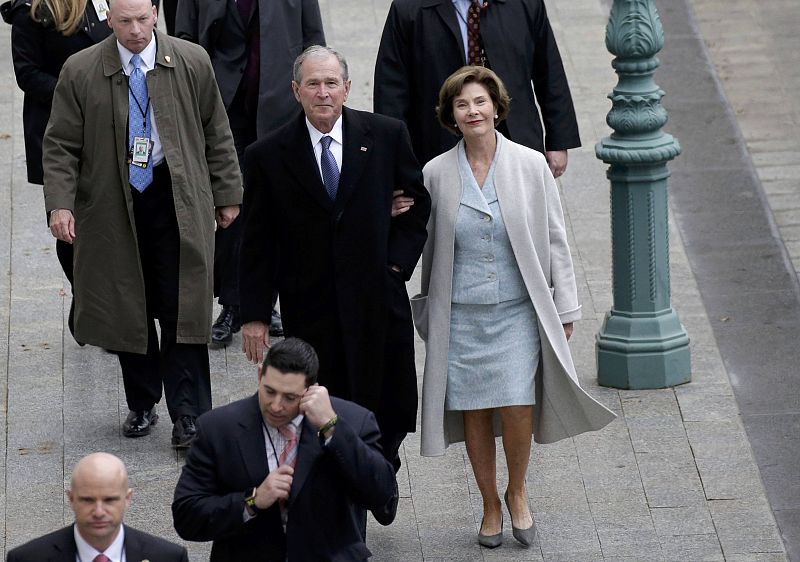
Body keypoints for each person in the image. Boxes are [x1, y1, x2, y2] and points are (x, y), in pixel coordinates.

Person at [413, 66, 615, 548]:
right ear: (451, 116)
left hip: (518, 310)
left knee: (518, 405)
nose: (473, 111)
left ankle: (517, 490)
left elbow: (555, 238)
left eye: (480, 102)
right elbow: (421, 242)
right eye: (462, 105)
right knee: (473, 411)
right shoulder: (435, 173)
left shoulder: (530, 164)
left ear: (497, 107)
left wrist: (565, 306)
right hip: (461, 314)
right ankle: (488, 504)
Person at [43, 0, 242, 447]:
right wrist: (60, 204)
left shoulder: (191, 60)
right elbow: (59, 145)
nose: (135, 30)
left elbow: (217, 130)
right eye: (124, 21)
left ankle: (189, 414)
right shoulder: (81, 69)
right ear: (109, 19)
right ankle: (142, 401)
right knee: (125, 305)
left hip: (177, 202)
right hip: (113, 205)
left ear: (156, 13)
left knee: (182, 307)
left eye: (142, 19)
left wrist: (227, 192)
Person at [239, 45, 431, 471]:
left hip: (377, 299)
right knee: (324, 405)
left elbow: (417, 204)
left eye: (331, 83)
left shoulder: (385, 135)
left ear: (346, 88)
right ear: (296, 91)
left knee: (388, 405)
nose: (322, 92)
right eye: (313, 84)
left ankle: (380, 472)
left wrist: (395, 266)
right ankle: (345, 488)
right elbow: (257, 240)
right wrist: (253, 313)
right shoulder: (267, 155)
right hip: (312, 307)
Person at [175, 0, 325, 346]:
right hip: (223, 106)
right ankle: (233, 302)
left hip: (279, 107)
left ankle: (268, 301)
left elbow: (313, 39)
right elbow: (185, 35)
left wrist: (314, 100)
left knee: (277, 206)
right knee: (230, 204)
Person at [172, 337, 398, 561]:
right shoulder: (218, 429)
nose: (277, 405)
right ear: (260, 375)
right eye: (269, 391)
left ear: (311, 391)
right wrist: (252, 501)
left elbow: (380, 494)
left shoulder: (354, 421)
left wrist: (332, 428)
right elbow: (186, 515)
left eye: (290, 397)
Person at [2, 0, 113, 340]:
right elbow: (27, 74)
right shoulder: (31, 13)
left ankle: (102, 304)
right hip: (58, 133)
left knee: (109, 219)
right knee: (71, 225)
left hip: (107, 127)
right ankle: (88, 301)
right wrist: (76, 95)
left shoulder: (102, 4)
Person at [373, 0, 580, 178]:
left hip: (516, 137)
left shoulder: (525, 4)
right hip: (437, 142)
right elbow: (391, 90)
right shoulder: (408, 9)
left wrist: (558, 141)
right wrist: (395, 159)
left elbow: (550, 72)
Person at [7, 452, 188, 561]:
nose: (99, 512)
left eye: (109, 500)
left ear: (127, 498)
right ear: (71, 499)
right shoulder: (27, 558)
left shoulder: (167, 557)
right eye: (88, 500)